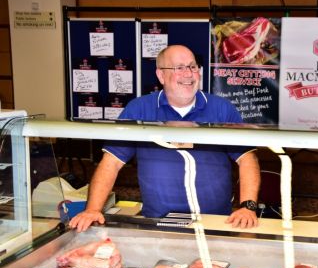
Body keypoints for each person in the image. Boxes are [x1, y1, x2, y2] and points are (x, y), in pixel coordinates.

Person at [70, 45, 261, 232]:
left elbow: (247, 159)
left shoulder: (222, 108)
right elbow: (111, 163)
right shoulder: (138, 109)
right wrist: (93, 210)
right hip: (158, 221)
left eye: (193, 66)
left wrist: (248, 206)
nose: (188, 74)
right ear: (161, 75)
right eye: (179, 68)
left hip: (216, 221)